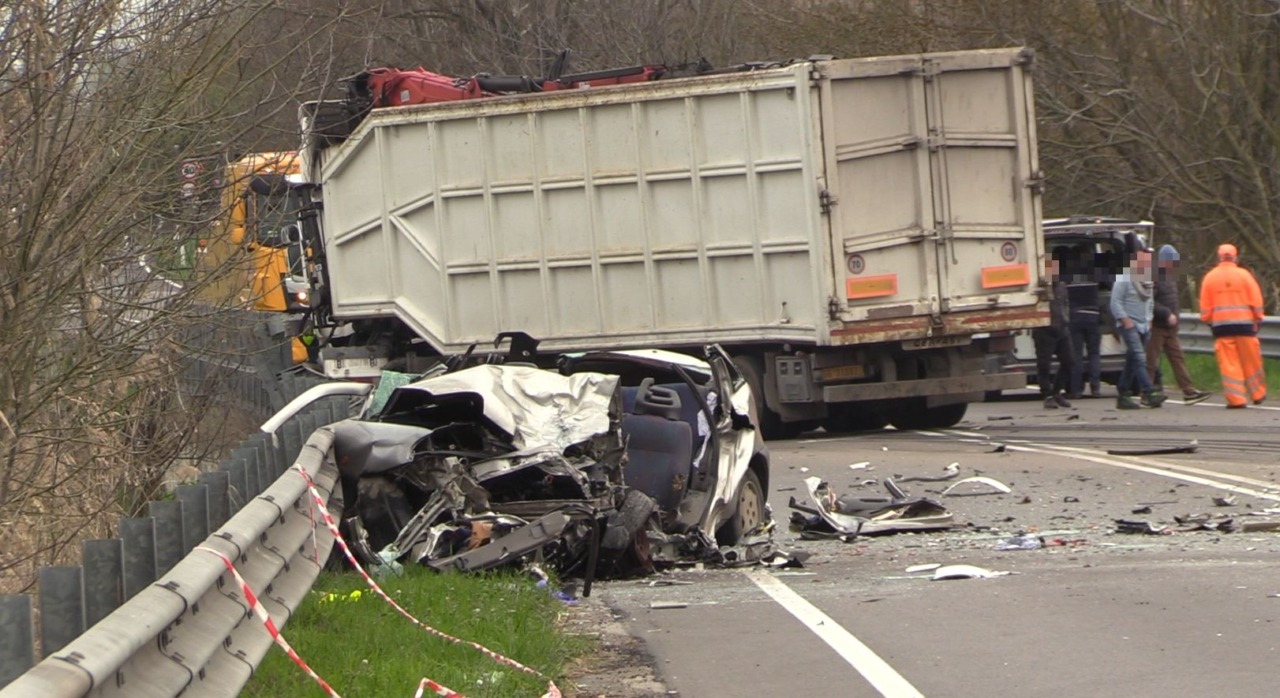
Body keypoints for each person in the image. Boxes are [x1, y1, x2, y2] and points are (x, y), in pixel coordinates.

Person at [1199, 243, 1267, 408]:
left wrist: (1208, 320)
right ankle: (1258, 394)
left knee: (1230, 364)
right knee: (1251, 361)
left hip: (1222, 328)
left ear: (1219, 257)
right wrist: (1258, 317)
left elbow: (1205, 308)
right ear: (1235, 257)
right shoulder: (1245, 275)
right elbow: (1256, 300)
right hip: (1245, 326)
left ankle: (1236, 399)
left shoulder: (1210, 277)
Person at [1147, 244, 1212, 404]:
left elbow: (1173, 302)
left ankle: (1188, 391)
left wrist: (1175, 319)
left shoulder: (1171, 277)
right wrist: (1166, 314)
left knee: (1177, 358)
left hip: (1170, 328)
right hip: (1157, 326)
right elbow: (1149, 302)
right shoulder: (1154, 277)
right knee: (1151, 360)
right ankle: (1146, 392)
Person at [1110, 247, 1166, 409]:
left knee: (1132, 360)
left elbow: (1150, 301)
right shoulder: (1124, 278)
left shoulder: (1148, 280)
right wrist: (1125, 319)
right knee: (1140, 358)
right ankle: (1148, 392)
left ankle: (1123, 393)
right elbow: (1115, 302)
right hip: (1129, 324)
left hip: (1144, 325)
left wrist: (1149, 319)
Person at [1033, 253, 1075, 409]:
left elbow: (1066, 303)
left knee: (1069, 361)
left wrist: (1066, 319)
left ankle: (1057, 391)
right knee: (1044, 365)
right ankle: (1047, 395)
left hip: (1062, 329)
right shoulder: (1041, 288)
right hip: (1044, 330)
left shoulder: (1062, 285)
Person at [1065, 245, 1103, 398]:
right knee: (1094, 353)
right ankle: (1095, 388)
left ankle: (1076, 389)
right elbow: (1106, 286)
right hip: (1093, 316)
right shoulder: (1095, 271)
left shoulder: (1067, 273)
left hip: (1075, 316)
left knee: (1077, 354)